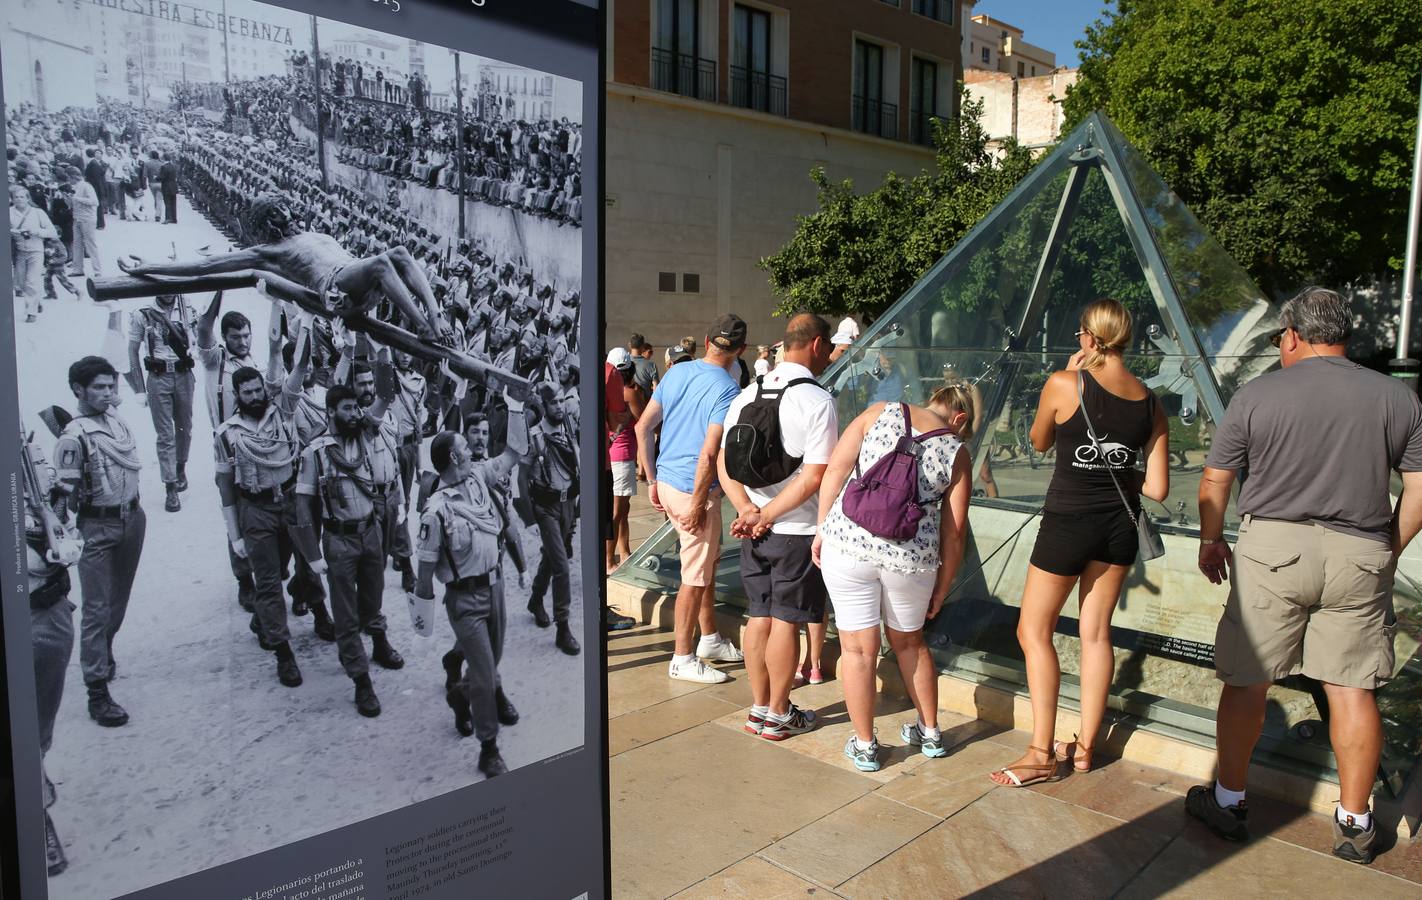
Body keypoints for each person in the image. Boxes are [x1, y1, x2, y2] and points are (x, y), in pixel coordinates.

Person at [1189, 287, 1422, 865]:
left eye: (1280, 339)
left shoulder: (1257, 395)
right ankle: (1355, 823)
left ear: (1293, 334)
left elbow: (1215, 482)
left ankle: (1230, 800)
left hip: (1273, 549)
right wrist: (1387, 549)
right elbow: (1419, 489)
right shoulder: (1396, 398)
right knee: (1351, 688)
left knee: (1248, 680)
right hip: (1361, 550)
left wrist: (1212, 539)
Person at [988, 299, 1169, 788]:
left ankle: (1040, 751)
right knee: (1096, 634)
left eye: (1078, 334)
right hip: (1119, 527)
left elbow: (1040, 441)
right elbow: (1156, 488)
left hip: (1068, 522)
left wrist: (1068, 376)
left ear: (1090, 337)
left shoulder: (1065, 383)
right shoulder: (1151, 401)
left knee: (1033, 631)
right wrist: (1117, 460)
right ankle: (1086, 749)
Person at [815, 386, 974, 772]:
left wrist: (821, 528)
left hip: (849, 545)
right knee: (910, 644)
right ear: (960, 418)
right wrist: (944, 583)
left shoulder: (878, 412)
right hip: (911, 559)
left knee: (858, 650)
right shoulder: (957, 451)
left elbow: (836, 468)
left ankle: (867, 745)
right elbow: (954, 532)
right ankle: (931, 732)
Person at [117, 193, 452, 343]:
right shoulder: (269, 251)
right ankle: (422, 324)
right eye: (277, 212)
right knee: (382, 261)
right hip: (336, 292)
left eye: (284, 208)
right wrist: (150, 266)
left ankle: (434, 315)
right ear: (270, 222)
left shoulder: (312, 232)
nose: (286, 214)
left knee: (399, 252)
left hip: (357, 280)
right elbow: (205, 265)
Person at [720, 314, 836, 740]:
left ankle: (758, 709)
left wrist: (748, 510)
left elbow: (723, 459)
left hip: (755, 529)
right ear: (818, 344)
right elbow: (815, 475)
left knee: (759, 617)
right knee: (787, 621)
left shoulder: (749, 391)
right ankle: (781, 712)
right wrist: (767, 515)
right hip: (796, 530)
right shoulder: (816, 400)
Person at [635, 314, 748, 683]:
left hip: (669, 483)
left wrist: (651, 480)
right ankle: (682, 656)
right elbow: (709, 453)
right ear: (741, 350)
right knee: (695, 577)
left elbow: (642, 428)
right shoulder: (728, 389)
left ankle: (710, 637)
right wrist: (699, 502)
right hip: (692, 490)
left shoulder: (677, 372)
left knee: (706, 563)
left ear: (705, 340)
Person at [415, 426, 527, 779]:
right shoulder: (436, 511)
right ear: (454, 457)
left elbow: (513, 453)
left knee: (492, 662)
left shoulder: (479, 476)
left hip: (495, 588)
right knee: (482, 672)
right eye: (465, 445)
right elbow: (425, 570)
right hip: (464, 600)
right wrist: (424, 614)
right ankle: (488, 748)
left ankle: (460, 697)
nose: (471, 447)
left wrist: (514, 403)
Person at [294, 384, 407, 717]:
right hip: (339, 540)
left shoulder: (366, 438)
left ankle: (378, 639)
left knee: (373, 598)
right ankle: (360, 678)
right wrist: (312, 555)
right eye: (347, 409)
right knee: (345, 614)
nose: (355, 414)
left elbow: (385, 396)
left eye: (357, 408)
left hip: (370, 531)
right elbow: (302, 504)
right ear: (330, 412)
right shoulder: (315, 452)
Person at [53, 357, 146, 728]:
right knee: (96, 610)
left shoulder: (115, 422)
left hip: (131, 519)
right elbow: (63, 494)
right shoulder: (72, 436)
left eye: (112, 386)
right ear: (79, 390)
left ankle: (103, 654)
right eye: (99, 387)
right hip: (98, 527)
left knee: (118, 604)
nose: (108, 393)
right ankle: (96, 689)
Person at [215, 360, 307, 688]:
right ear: (237, 395)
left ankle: (262, 620)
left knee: (287, 570)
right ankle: (284, 654)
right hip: (255, 508)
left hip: (289, 501)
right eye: (247, 392)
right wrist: (234, 533)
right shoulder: (227, 434)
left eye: (258, 390)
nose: (255, 396)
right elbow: (225, 486)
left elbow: (297, 374)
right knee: (268, 583)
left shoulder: (281, 414)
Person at [21, 437, 77, 875]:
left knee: (38, 732)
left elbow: (64, 527)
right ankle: (37, 818)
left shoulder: (33, 469)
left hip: (48, 614)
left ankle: (35, 792)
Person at [126, 293, 199, 513]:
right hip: (158, 377)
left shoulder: (186, 309)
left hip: (183, 373)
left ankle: (180, 467)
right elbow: (132, 351)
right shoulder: (143, 313)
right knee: (165, 434)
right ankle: (170, 487)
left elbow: (198, 336)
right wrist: (139, 388)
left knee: (185, 428)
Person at [526, 382, 582, 655]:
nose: (559, 407)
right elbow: (521, 478)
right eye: (553, 403)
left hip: (568, 503)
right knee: (561, 566)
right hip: (546, 507)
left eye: (561, 401)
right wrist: (528, 520)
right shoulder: (535, 437)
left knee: (551, 557)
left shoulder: (569, 429)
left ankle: (536, 600)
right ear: (544, 406)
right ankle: (563, 627)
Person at [605, 348, 644, 577]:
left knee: (623, 510)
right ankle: (610, 560)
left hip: (618, 456)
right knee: (617, 512)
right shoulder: (628, 393)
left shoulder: (616, 391)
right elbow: (647, 420)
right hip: (621, 456)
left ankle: (624, 552)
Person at [11, 184, 58, 322]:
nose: (19, 199)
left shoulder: (37, 213)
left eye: (21, 197)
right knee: (21, 282)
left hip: (36, 250)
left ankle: (31, 312)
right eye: (16, 197)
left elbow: (53, 232)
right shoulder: (9, 212)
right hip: (19, 252)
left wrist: (36, 232)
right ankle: (35, 302)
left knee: (32, 280)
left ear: (27, 199)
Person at [66, 168, 101, 279]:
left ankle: (97, 270)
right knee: (77, 244)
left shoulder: (86, 186)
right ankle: (78, 269)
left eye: (68, 177)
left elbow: (95, 202)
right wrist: (67, 199)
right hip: (77, 218)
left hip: (87, 219)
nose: (68, 180)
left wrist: (77, 198)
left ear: (73, 176)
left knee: (90, 245)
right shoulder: (73, 188)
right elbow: (71, 205)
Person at [143, 150, 163, 222]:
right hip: (160, 183)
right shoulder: (161, 163)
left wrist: (144, 184)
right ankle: (158, 215)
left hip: (151, 183)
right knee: (159, 199)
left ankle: (157, 212)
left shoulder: (147, 163)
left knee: (156, 198)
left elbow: (144, 175)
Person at [158, 152, 178, 224]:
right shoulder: (173, 166)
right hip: (173, 185)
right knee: (173, 203)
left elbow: (162, 177)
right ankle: (174, 218)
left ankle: (168, 218)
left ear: (164, 159)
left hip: (166, 186)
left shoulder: (164, 167)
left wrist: (156, 178)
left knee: (167, 203)